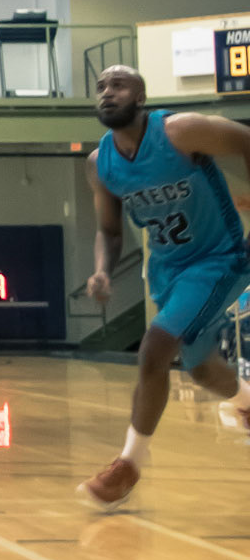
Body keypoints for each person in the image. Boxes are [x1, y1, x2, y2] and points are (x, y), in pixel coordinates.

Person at [79, 64, 250, 510]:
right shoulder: (100, 164)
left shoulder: (181, 131)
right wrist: (102, 271)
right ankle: (247, 402)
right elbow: (109, 231)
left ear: (140, 97)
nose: (107, 92)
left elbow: (246, 140)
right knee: (201, 368)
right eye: (101, 87)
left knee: (154, 349)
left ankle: (129, 465)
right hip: (168, 269)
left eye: (118, 85)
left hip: (219, 259)